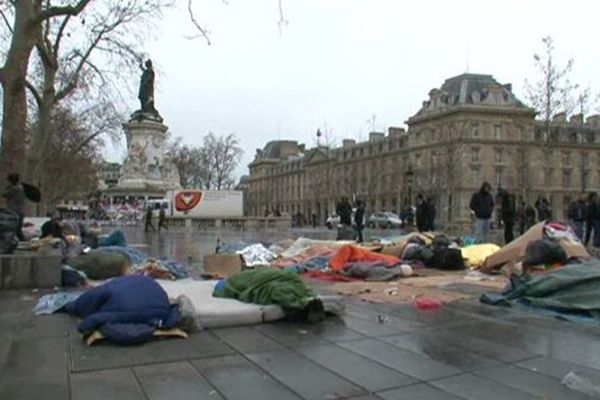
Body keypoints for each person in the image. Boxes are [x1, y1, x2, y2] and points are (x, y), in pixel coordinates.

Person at [2, 173, 26, 241]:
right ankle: (21, 241)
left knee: (15, 229)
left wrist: (8, 187)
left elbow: (5, 194)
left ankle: (22, 242)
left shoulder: (14, 188)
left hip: (14, 211)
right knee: (17, 229)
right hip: (20, 211)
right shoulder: (21, 187)